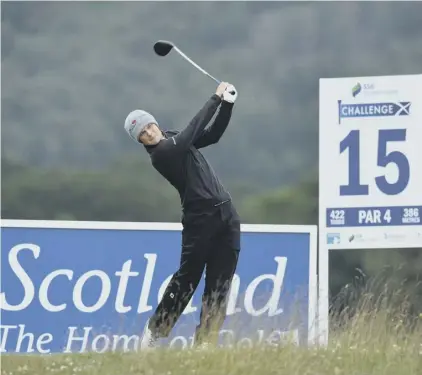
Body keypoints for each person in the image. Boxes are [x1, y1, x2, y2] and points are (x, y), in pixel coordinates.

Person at [123, 82, 241, 350]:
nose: (149, 133)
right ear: (140, 141)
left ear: (155, 123)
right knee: (188, 279)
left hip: (226, 215)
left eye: (149, 126)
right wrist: (215, 98)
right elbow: (193, 131)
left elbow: (211, 136)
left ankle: (205, 344)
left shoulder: (173, 137)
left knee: (220, 283)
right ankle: (155, 332)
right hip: (199, 221)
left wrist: (227, 106)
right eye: (142, 133)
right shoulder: (162, 153)